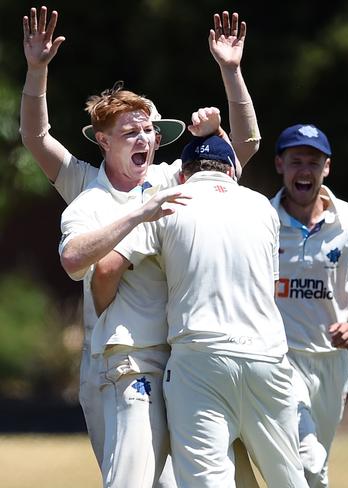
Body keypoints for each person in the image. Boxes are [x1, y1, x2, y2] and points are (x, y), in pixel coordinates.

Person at [21, 6, 260, 487]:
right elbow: (35, 137)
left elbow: (246, 145)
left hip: (181, 355)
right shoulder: (85, 187)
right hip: (116, 358)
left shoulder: (169, 177)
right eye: (130, 132)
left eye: (149, 130)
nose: (144, 139)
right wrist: (37, 71)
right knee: (131, 479)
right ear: (103, 142)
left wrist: (231, 73)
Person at [105, 134, 309, 487]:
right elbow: (271, 287)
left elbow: (108, 268)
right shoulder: (262, 206)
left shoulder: (168, 201)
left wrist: (99, 311)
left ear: (183, 174)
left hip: (199, 359)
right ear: (230, 171)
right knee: (289, 480)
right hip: (268, 357)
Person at [270, 124, 348, 487]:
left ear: (327, 168)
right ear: (279, 165)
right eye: (296, 161)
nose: (305, 171)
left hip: (333, 363)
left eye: (313, 163)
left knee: (315, 457)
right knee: (308, 458)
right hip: (280, 358)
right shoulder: (263, 220)